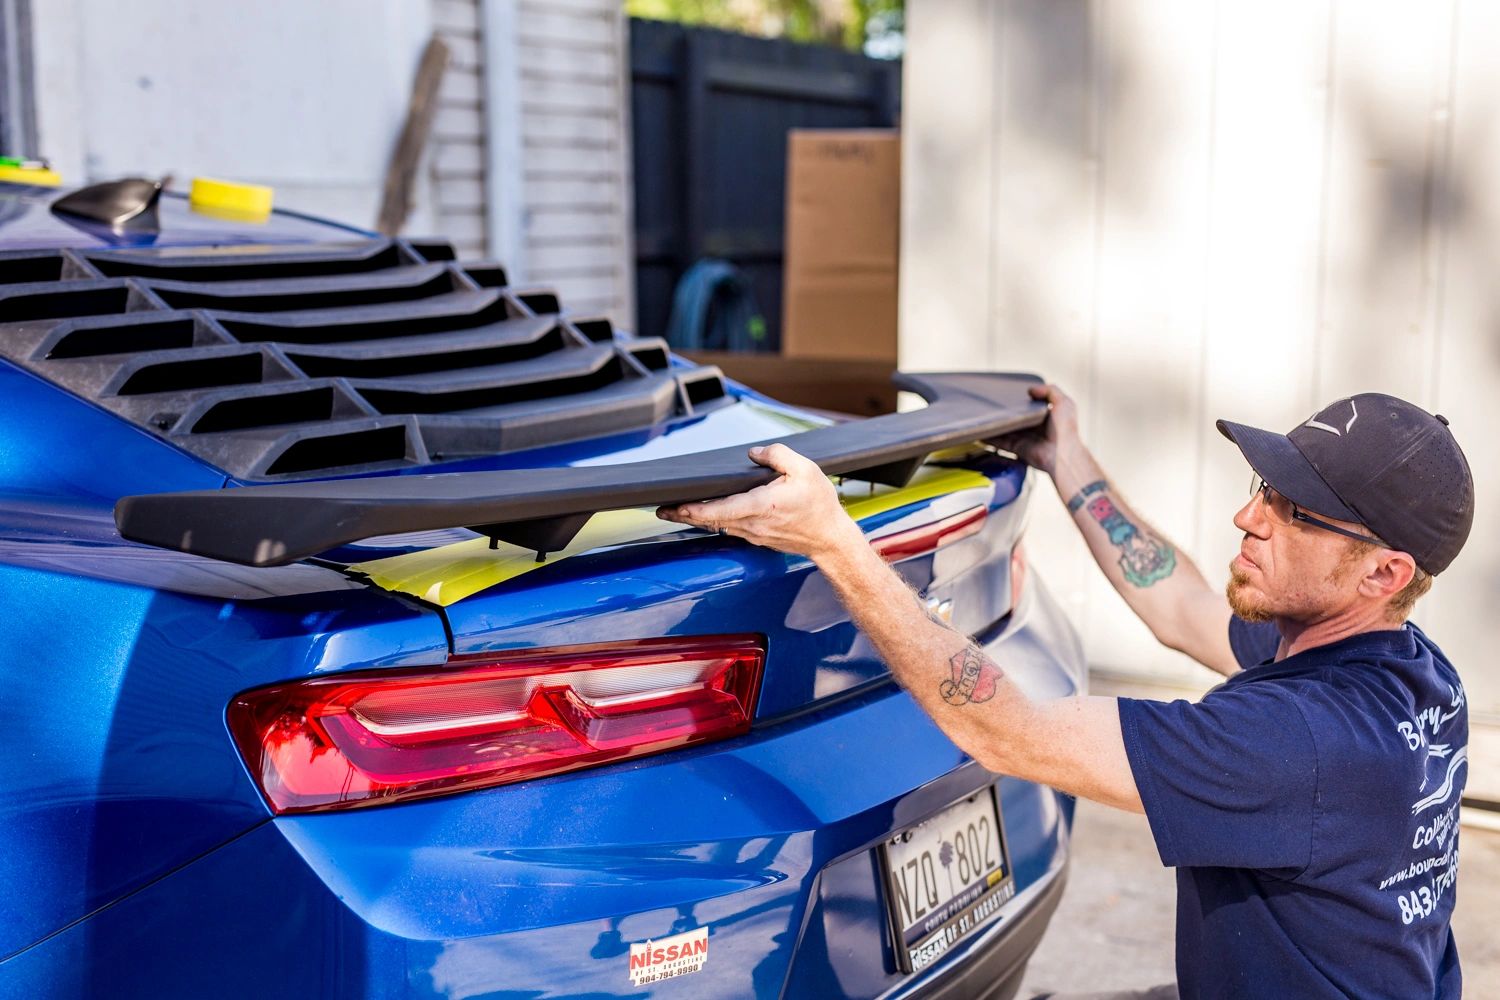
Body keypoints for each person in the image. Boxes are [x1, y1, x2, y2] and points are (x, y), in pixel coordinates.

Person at [656, 384, 1474, 999]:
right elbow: (1182, 606)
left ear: (1383, 571)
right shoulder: (1408, 671)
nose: (1246, 517)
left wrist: (836, 541)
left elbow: (1005, 730)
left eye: (1292, 511)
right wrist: (1066, 458)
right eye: (1264, 485)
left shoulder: (1296, 742)